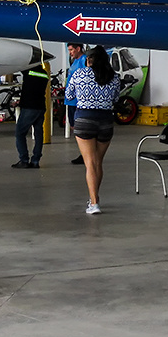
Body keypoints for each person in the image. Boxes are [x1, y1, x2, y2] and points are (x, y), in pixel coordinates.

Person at [64, 45, 119, 214]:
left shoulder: (79, 74)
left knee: (90, 163)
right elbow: (116, 98)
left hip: (84, 120)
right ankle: (95, 197)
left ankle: (94, 203)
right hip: (105, 121)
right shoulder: (114, 77)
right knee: (97, 162)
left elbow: (69, 95)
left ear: (89, 60)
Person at [11, 61, 50, 169]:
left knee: (20, 133)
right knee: (38, 134)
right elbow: (33, 91)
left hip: (29, 108)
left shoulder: (29, 71)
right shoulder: (44, 73)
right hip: (40, 106)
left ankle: (24, 160)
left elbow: (18, 66)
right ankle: (36, 160)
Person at [63, 42, 86, 165]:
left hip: (78, 101)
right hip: (71, 101)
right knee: (74, 127)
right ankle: (83, 152)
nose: (70, 53)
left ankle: (85, 153)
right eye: (69, 50)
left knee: (79, 128)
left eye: (72, 50)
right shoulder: (74, 62)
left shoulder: (84, 60)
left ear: (78, 48)